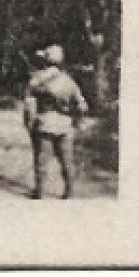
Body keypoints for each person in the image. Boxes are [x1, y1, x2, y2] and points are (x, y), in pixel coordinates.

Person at [24, 44, 89, 199]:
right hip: (65, 126)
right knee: (67, 161)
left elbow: (29, 105)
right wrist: (77, 121)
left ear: (45, 60)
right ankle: (69, 192)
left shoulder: (36, 79)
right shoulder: (69, 81)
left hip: (44, 124)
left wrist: (29, 123)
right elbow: (82, 105)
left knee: (41, 160)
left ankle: (39, 191)